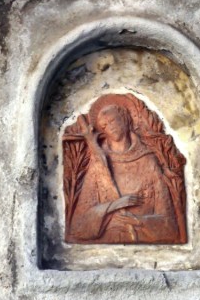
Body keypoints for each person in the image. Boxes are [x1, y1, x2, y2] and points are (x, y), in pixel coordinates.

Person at [66, 103, 183, 244]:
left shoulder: (148, 161)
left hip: (142, 240)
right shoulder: (99, 165)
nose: (110, 126)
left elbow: (169, 225)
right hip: (109, 242)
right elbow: (78, 226)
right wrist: (114, 205)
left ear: (125, 119)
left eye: (113, 120)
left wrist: (140, 221)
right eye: (104, 126)